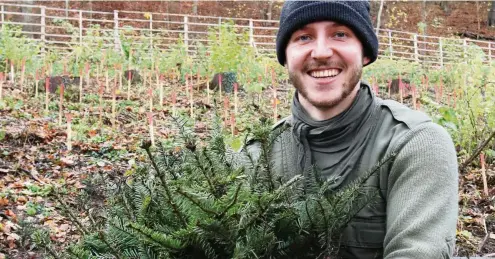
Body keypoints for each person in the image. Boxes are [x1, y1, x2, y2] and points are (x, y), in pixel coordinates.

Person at [246, 1, 459, 258]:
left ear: (365, 52)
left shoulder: (414, 144)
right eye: (304, 37)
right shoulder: (257, 155)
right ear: (285, 56)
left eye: (340, 34)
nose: (322, 52)